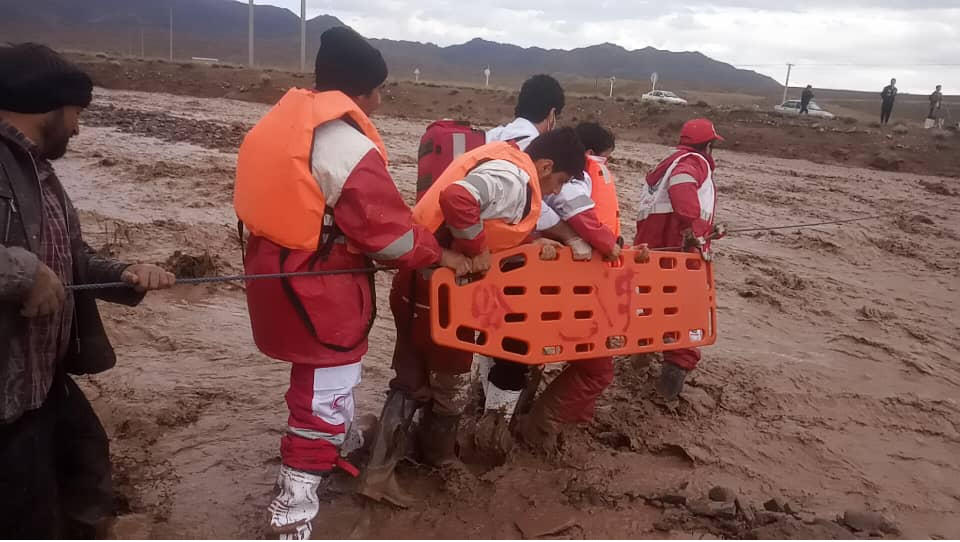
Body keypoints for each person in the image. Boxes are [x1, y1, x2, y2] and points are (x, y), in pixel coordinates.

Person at [233, 27, 471, 540]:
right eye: (378, 90)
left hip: (274, 275)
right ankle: (292, 514)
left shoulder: (281, 125)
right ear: (361, 91)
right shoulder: (345, 143)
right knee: (323, 397)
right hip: (321, 290)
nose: (381, 101)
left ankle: (324, 462)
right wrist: (442, 254)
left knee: (315, 387)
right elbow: (391, 236)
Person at [0, 43, 175, 538]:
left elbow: (69, 258)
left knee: (87, 470)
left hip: (43, 378)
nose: (78, 127)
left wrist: (124, 274)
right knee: (26, 512)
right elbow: (28, 267)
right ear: (47, 106)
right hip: (7, 393)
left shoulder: (41, 172)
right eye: (76, 112)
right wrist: (20, 272)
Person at [358, 128, 586, 507]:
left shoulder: (507, 164)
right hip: (440, 293)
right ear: (545, 166)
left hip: (417, 281)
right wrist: (476, 248)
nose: (558, 192)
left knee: (411, 377)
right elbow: (459, 198)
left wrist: (531, 243)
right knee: (450, 381)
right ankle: (439, 456)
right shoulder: (514, 177)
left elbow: (488, 221)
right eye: (560, 181)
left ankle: (382, 471)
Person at [515, 122, 632, 451]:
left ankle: (539, 425)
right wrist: (610, 246)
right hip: (576, 281)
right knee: (597, 368)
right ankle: (538, 433)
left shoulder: (534, 173)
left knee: (557, 359)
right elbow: (580, 217)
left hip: (572, 278)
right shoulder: (568, 179)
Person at [634, 118, 725, 402]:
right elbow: (683, 187)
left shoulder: (668, 163)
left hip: (654, 251)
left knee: (652, 313)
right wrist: (695, 230)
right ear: (708, 145)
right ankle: (666, 395)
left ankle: (637, 368)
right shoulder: (694, 162)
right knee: (685, 321)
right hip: (678, 255)